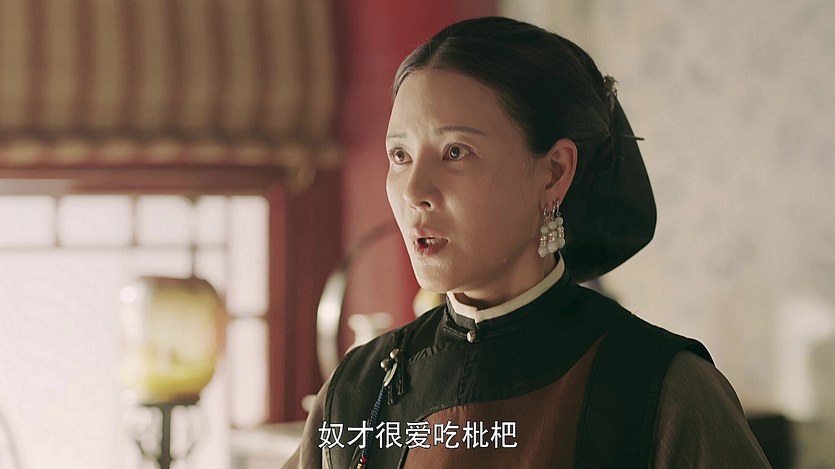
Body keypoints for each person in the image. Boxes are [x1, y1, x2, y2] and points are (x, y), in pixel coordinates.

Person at [284, 16, 771, 468]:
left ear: (554, 172)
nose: (414, 192)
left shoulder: (659, 389)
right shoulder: (359, 389)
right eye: (399, 155)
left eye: (455, 151)